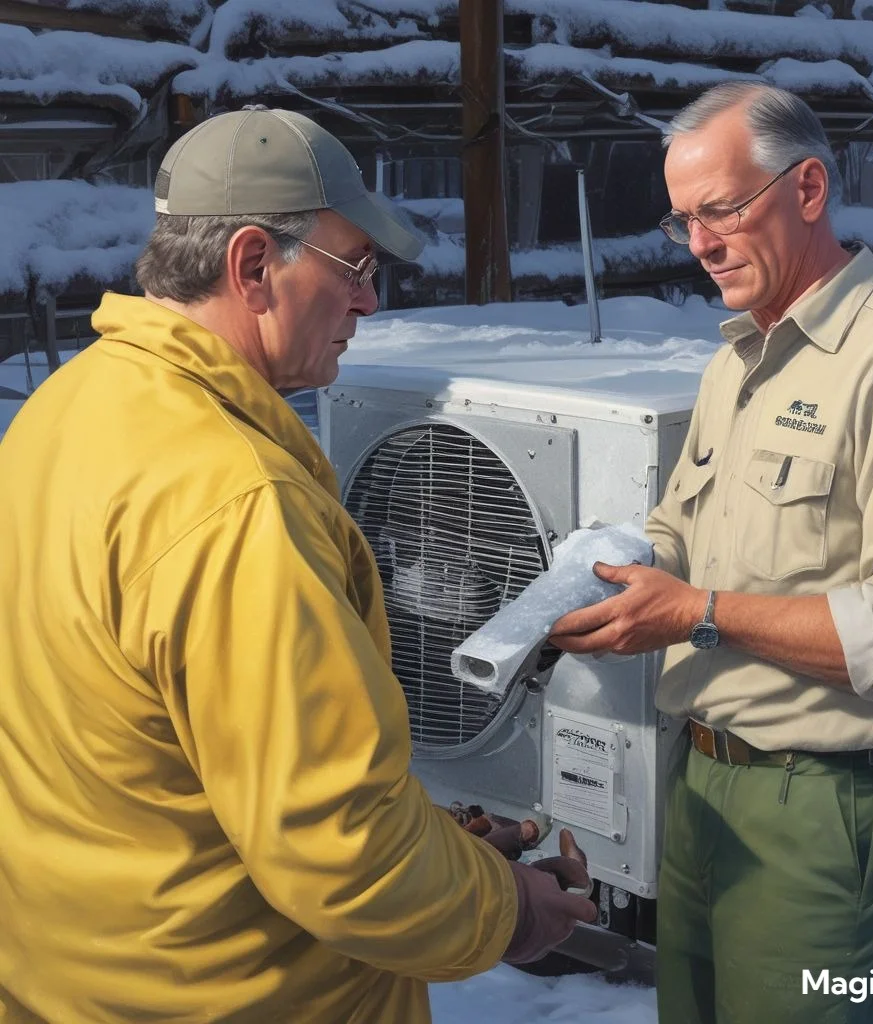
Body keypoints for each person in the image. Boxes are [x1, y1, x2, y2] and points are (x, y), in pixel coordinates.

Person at [0, 106, 595, 1024]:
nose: (370, 302)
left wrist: (438, 843)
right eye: (356, 268)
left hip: (79, 972)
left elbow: (158, 750)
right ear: (250, 266)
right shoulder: (238, 505)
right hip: (246, 995)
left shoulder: (65, 407)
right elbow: (342, 853)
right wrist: (510, 910)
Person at [549, 83, 873, 1024]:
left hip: (829, 813)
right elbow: (684, 528)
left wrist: (698, 614)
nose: (702, 243)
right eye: (683, 222)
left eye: (720, 209)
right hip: (708, 785)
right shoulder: (741, 358)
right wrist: (604, 569)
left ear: (807, 189)